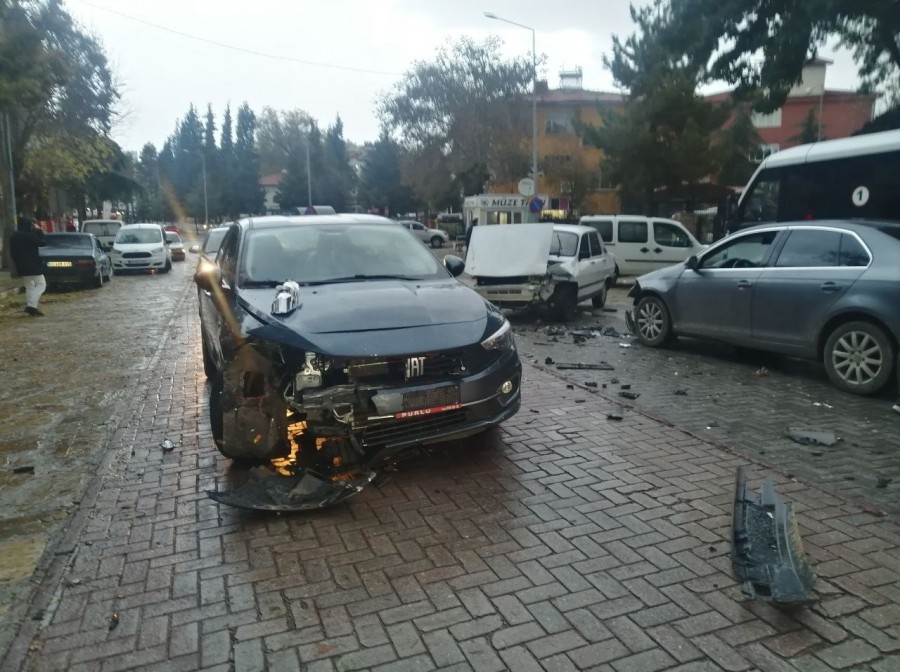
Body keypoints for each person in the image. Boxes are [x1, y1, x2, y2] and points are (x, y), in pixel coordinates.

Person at [10, 217, 47, 317]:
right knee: (41, 284)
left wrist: (17, 264)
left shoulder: (14, 236)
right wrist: (38, 229)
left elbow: (12, 253)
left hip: (21, 266)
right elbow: (43, 242)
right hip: (33, 266)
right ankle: (31, 305)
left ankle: (32, 309)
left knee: (29, 286)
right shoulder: (29, 236)